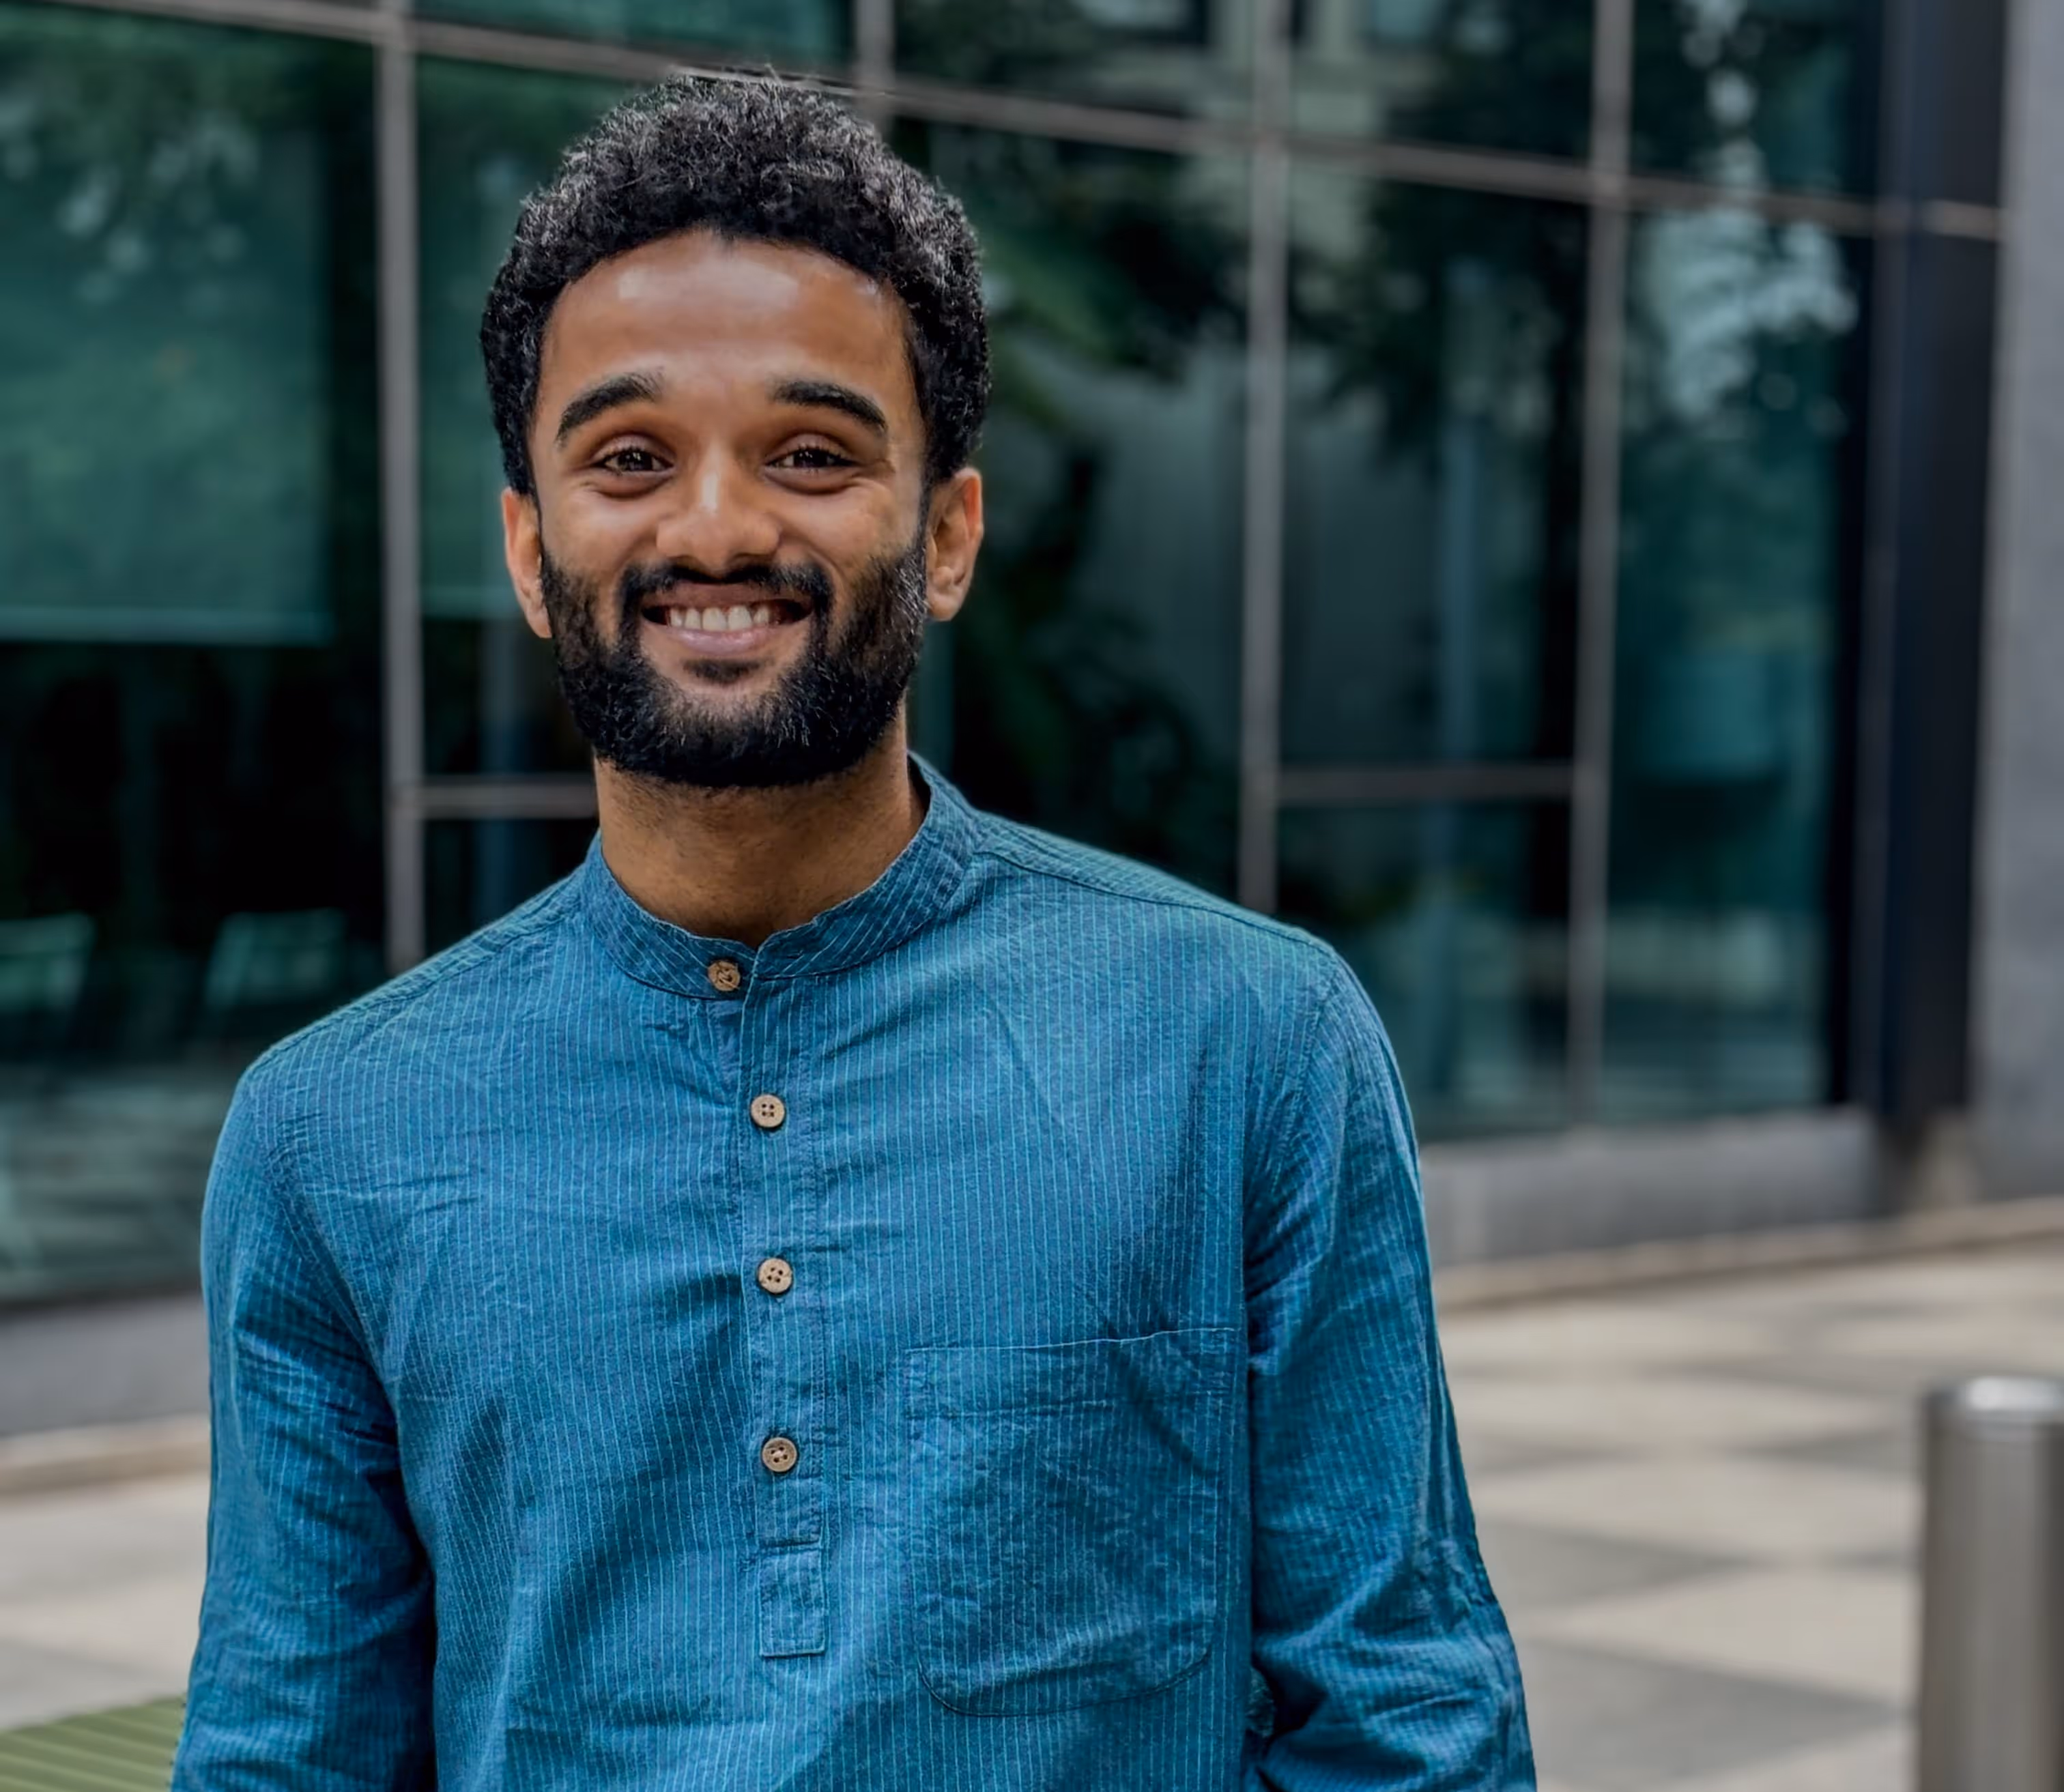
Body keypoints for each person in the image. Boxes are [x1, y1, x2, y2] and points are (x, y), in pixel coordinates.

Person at [173, 74, 1533, 1791]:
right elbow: (288, 1758)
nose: (720, 528)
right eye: (629, 458)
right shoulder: (329, 1134)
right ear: (530, 546)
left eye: (812, 453)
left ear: (946, 532)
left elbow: (1408, 1727)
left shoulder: (1249, 1043)